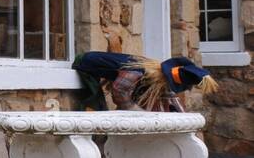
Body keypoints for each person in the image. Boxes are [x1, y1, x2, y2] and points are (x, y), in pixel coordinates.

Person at [73, 52, 217, 112]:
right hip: (85, 66)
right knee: (97, 112)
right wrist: (135, 111)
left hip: (96, 71)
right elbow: (119, 89)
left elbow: (170, 97)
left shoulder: (157, 76)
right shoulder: (138, 70)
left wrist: (183, 118)